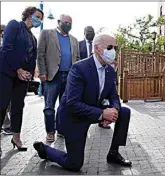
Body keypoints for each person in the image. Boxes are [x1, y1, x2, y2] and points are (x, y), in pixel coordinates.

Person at [33, 34, 132, 171]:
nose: (113, 51)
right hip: (74, 117)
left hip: (92, 109)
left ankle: (113, 153)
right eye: (109, 47)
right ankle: (46, 150)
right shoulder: (79, 68)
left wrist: (113, 111)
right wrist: (102, 114)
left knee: (124, 112)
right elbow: (72, 103)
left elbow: (114, 96)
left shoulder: (109, 70)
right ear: (97, 48)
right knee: (74, 164)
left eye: (115, 48)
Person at [0, 6, 43, 152]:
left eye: (41, 19)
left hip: (22, 77)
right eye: (38, 16)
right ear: (29, 15)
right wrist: (18, 69)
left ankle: (16, 137)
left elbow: (32, 58)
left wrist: (29, 73)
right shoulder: (14, 25)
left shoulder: (33, 38)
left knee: (18, 107)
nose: (39, 20)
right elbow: (7, 47)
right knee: (2, 105)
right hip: (6, 72)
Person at [37, 14, 80, 142]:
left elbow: (77, 59)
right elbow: (40, 54)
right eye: (66, 22)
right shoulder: (46, 34)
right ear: (59, 22)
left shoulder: (74, 40)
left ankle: (61, 129)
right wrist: (42, 72)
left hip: (69, 77)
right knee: (49, 106)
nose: (68, 25)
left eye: (70, 23)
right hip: (52, 76)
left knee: (65, 106)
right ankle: (50, 132)